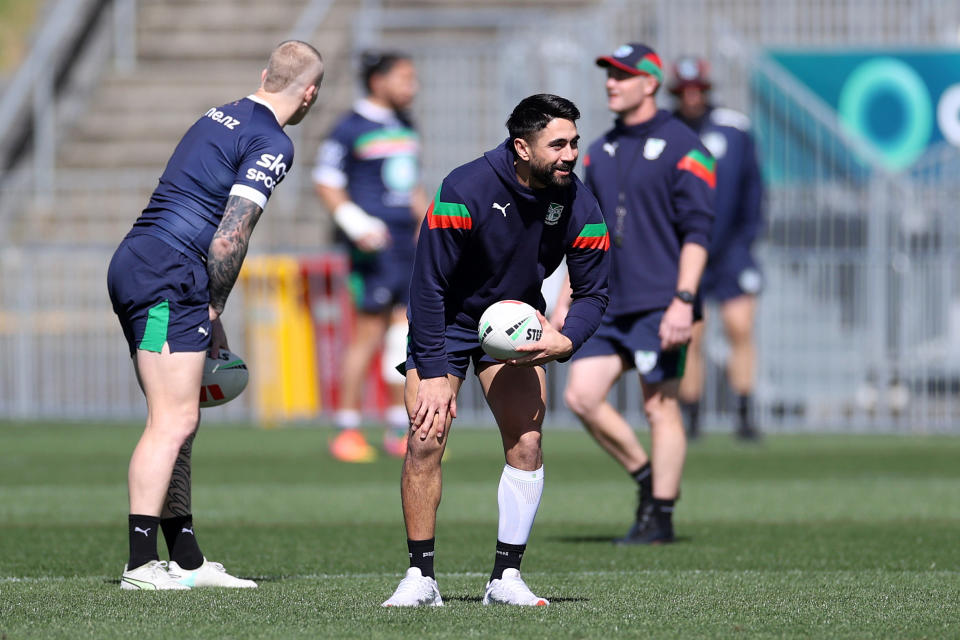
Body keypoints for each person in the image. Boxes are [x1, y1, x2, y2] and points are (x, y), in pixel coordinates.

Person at [106, 41, 324, 590]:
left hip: (145, 260)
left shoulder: (219, 112)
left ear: (264, 75)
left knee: (180, 419)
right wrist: (215, 302)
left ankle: (185, 556)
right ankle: (139, 564)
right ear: (311, 93)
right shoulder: (273, 140)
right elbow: (232, 234)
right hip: (168, 274)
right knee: (172, 420)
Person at [381, 94, 610, 607]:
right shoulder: (465, 188)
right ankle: (421, 578)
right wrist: (436, 370)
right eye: (558, 144)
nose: (570, 154)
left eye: (574, 142)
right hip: (446, 319)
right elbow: (427, 286)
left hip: (512, 325)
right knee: (424, 438)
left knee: (527, 443)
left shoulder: (580, 202)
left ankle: (505, 579)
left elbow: (595, 291)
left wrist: (567, 338)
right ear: (522, 147)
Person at [554, 43, 714, 545]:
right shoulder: (598, 150)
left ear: (650, 83)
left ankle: (661, 517)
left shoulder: (685, 147)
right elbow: (582, 235)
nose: (611, 83)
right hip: (605, 301)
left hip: (661, 303)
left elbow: (698, 233)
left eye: (622, 75)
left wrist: (684, 301)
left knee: (658, 408)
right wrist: (564, 295)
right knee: (581, 396)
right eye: (608, 74)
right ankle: (649, 480)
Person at [313, 51, 428, 463]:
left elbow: (411, 185)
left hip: (407, 245)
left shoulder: (406, 126)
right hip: (372, 247)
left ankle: (400, 427)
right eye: (404, 77)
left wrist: (426, 223)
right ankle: (347, 428)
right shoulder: (349, 127)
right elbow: (326, 181)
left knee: (405, 335)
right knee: (367, 333)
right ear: (378, 81)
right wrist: (355, 223)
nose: (411, 86)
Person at [669, 56, 765, 441]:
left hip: (731, 250)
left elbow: (753, 190)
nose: (692, 97)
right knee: (690, 333)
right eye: (683, 90)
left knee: (740, 327)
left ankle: (744, 412)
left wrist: (746, 239)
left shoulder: (735, 129)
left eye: (699, 89)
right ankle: (691, 417)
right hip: (685, 251)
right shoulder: (665, 132)